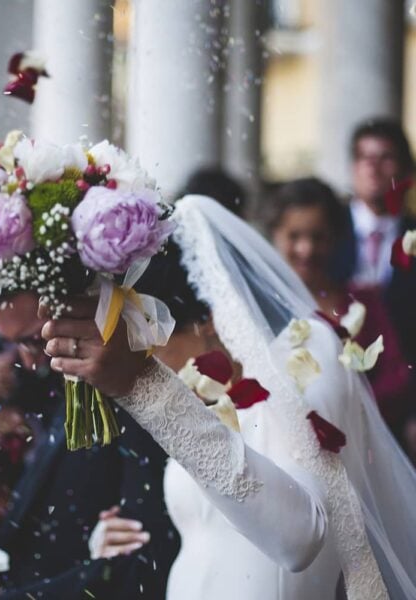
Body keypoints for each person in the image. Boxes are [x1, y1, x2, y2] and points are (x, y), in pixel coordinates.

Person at [43, 195, 416, 599]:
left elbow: (299, 537)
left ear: (205, 322)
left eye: (149, 349)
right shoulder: (212, 407)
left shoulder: (307, 353)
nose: (155, 368)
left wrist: (147, 387)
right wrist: (112, 540)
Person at [0, 292, 179, 600]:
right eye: (13, 344)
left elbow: (143, 560)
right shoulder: (44, 383)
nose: (26, 360)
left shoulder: (134, 388)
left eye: (33, 339)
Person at [267, 177, 414, 435]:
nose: (306, 248)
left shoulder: (364, 301)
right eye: (294, 236)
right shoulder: (260, 305)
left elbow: (397, 377)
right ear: (274, 235)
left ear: (334, 237)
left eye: (317, 237)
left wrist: (344, 409)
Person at [334, 118, 416, 364]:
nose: (373, 168)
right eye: (363, 157)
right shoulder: (329, 229)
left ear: (406, 170)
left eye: (385, 158)